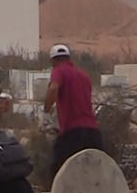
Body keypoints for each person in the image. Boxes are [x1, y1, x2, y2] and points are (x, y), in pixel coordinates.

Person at [44, 44, 103, 181]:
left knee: (59, 173)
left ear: (53, 61)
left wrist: (46, 111)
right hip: (93, 133)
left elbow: (53, 88)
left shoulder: (59, 71)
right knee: (95, 174)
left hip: (73, 132)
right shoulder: (84, 76)